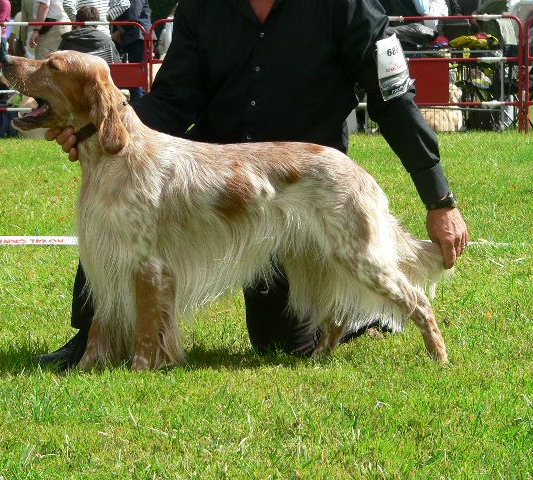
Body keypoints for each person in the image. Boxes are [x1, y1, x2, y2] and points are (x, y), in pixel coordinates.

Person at [40, 0, 469, 369]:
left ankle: (358, 310)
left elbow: (392, 98)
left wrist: (440, 199)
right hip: (217, 189)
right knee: (127, 202)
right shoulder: (203, 6)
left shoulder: (347, 4)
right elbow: (172, 99)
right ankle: (92, 337)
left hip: (302, 188)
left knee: (281, 343)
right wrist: (99, 127)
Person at [112, 0, 153, 102]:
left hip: (138, 37)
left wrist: (119, 31)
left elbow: (132, 16)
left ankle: (139, 110)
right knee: (136, 78)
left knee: (137, 78)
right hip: (135, 37)